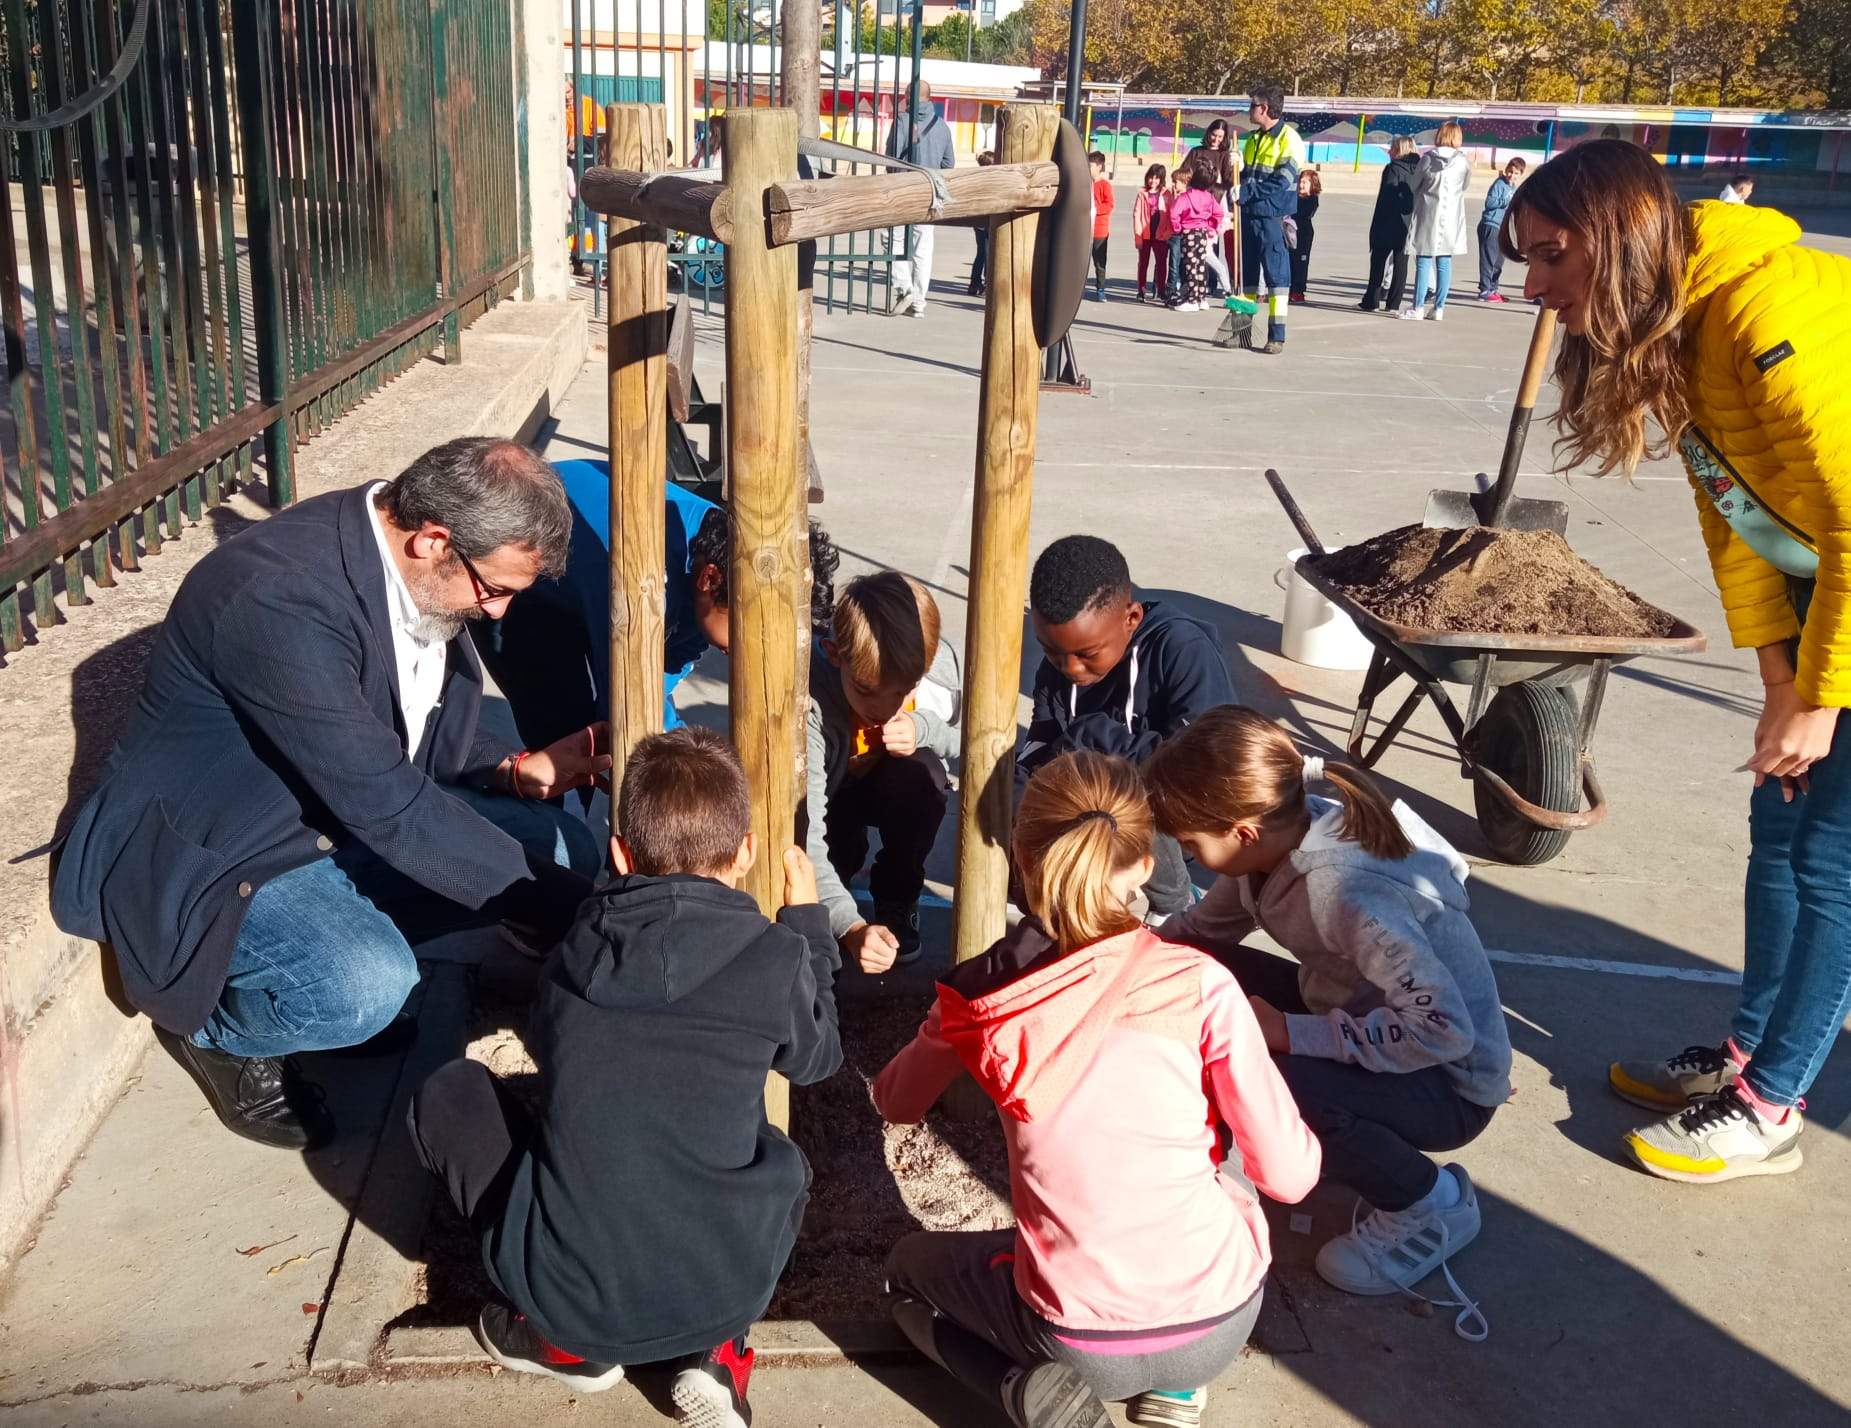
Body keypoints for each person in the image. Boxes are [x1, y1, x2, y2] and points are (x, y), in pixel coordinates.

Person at [51, 440, 605, 1149]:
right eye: (494, 589)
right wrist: (584, 915)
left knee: (562, 846)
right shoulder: (280, 597)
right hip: (226, 852)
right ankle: (218, 1029)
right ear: (434, 540)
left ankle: (346, 957)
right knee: (363, 989)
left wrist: (514, 770)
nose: (497, 613)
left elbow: (401, 719)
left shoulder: (395, 560)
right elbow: (393, 810)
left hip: (329, 814)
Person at [1503, 138, 1851, 1185]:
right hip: (1819, 580)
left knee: (1832, 861)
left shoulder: (1765, 314)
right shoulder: (1679, 329)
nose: (1535, 286)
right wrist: (1780, 682)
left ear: (1616, 239)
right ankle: (1745, 1055)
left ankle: (1770, 1107)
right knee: (1777, 832)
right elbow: (1735, 522)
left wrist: (1821, 699)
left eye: (1553, 255)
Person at [872, 751, 1321, 1428]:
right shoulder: (1200, 982)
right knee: (1226, 1143)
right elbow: (1290, 1178)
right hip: (1224, 1320)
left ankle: (1016, 1390)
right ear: (1144, 865)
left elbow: (895, 1103)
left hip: (1075, 1339)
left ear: (1023, 860)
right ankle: (1177, 1389)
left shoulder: (981, 999)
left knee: (905, 1273)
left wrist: (942, 1026)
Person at [408, 727, 842, 1424]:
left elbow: (552, 1052)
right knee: (777, 1155)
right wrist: (810, 927)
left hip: (566, 1292)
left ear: (618, 855)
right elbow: (818, 1059)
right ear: (747, 851)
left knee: (449, 1092)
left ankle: (566, 1345)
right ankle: (717, 1350)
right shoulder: (775, 955)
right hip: (723, 1285)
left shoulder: (577, 948)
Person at [1148, 709, 1508, 1337]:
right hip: (1360, 1016)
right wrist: (1122, 956)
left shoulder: (1346, 892)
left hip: (1450, 1084)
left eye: (1191, 846)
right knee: (1203, 971)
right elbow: (1202, 933)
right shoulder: (1272, 846)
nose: (1189, 858)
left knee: (1277, 1082)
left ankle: (1429, 1202)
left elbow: (1443, 1030)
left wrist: (1289, 1034)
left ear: (1241, 831)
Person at [470, 459, 840, 751]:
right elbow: (629, 701)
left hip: (578, 580)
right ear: (710, 579)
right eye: (753, 637)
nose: (754, 655)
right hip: (515, 592)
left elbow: (670, 659)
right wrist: (684, 752)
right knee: (566, 733)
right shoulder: (643, 579)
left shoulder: (718, 553)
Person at [1017, 534, 1234, 923]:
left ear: (1130, 619)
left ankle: (1173, 905)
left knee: (1117, 780)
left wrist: (1094, 737)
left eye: (1086, 654)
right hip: (1101, 809)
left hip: (1180, 813)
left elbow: (1205, 767)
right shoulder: (1057, 667)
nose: (1070, 669)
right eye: (1052, 652)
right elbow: (1039, 747)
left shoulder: (1182, 649)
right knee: (1014, 797)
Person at [807, 571, 962, 973]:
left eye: (902, 691)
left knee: (926, 779)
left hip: (888, 783)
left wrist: (923, 728)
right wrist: (849, 925)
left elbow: (971, 741)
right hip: (831, 794)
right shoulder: (810, 697)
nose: (885, 707)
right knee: (830, 857)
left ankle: (897, 898)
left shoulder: (934, 670)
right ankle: (841, 881)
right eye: (866, 691)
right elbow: (805, 831)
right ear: (834, 653)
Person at [1236, 82, 1306, 354]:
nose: (1249, 109)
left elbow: (1281, 181)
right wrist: (1235, 173)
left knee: (1277, 280)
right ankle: (1242, 332)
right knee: (1247, 279)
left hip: (1273, 217)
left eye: (1252, 105)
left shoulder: (1289, 139)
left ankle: (1276, 337)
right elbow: (1247, 176)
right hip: (1250, 214)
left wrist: (1247, 191)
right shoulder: (1253, 139)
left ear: (1264, 108)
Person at [886, 80, 956, 318]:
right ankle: (918, 302)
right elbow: (949, 164)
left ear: (908, 96)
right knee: (923, 249)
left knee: (892, 239)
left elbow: (892, 157)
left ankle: (904, 287)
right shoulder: (942, 126)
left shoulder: (902, 121)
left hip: (903, 190)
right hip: (930, 193)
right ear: (930, 97)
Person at [1403, 120, 1472, 322]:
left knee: (1423, 260)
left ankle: (1417, 306)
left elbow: (1414, 184)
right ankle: (1439, 307)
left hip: (1428, 213)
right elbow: (1465, 185)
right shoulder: (1462, 161)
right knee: (1444, 261)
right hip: (1451, 216)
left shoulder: (1428, 159)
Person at [1360, 136, 1420, 313]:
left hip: (1388, 222)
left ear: (1400, 150)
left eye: (1392, 148)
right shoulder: (1419, 168)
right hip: (1408, 222)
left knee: (1378, 261)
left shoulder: (1393, 168)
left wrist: (1378, 223)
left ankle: (1371, 301)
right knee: (1401, 264)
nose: (1389, 151)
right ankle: (1393, 304)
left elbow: (1387, 196)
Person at [1182, 117, 1240, 285]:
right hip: (1195, 205)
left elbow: (1229, 181)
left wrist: (1236, 169)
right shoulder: (1196, 152)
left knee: (1212, 242)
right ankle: (1193, 280)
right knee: (1194, 243)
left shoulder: (1224, 155)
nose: (1216, 139)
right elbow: (1184, 173)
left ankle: (1211, 281)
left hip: (1215, 203)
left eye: (1220, 137)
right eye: (1214, 135)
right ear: (1209, 133)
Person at [1166, 163, 1221, 312]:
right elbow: (1218, 213)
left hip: (1188, 232)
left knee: (1190, 267)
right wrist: (1211, 226)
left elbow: (1174, 213)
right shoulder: (1209, 197)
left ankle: (1192, 300)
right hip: (1202, 233)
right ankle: (1201, 298)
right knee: (1201, 265)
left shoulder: (1185, 196)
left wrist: (1177, 227)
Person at [1476, 157, 1526, 302]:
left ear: (1520, 174)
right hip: (1490, 224)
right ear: (1506, 170)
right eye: (1510, 171)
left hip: (1501, 227)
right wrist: (1506, 201)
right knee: (1489, 259)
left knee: (1499, 261)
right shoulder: (1499, 184)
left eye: (1516, 173)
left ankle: (1493, 288)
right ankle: (1484, 290)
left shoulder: (1513, 188)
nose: (1511, 175)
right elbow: (1489, 203)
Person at [1133, 163, 1168, 302]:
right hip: (1145, 234)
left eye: (1157, 178)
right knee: (1143, 263)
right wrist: (1138, 237)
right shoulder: (1142, 193)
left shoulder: (1166, 193)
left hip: (1160, 235)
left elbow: (1170, 214)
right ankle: (1141, 290)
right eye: (1151, 177)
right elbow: (1137, 215)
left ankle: (1161, 290)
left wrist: (1167, 233)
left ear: (1161, 179)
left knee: (1161, 263)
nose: (1153, 181)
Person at [1287, 168, 1321, 302]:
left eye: (1305, 183)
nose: (1301, 185)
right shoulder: (1294, 197)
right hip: (1291, 232)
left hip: (1304, 234)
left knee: (1301, 262)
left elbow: (1304, 214)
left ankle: (1298, 290)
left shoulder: (1312, 199)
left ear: (1313, 185)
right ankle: (1290, 288)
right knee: (1290, 260)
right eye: (1300, 182)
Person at [1087, 150, 1115, 301]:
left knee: (1099, 261)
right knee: (1081, 261)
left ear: (1099, 166)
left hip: (1099, 230)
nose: (1088, 168)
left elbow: (1109, 205)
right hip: (1085, 230)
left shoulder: (1105, 185)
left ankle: (1101, 289)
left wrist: (1095, 209)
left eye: (1091, 165)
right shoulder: (1084, 184)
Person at [969, 149, 998, 296]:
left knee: (981, 252)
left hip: (979, 222)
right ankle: (986, 282)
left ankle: (975, 283)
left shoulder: (977, 178)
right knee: (987, 253)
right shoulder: (989, 180)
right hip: (986, 222)